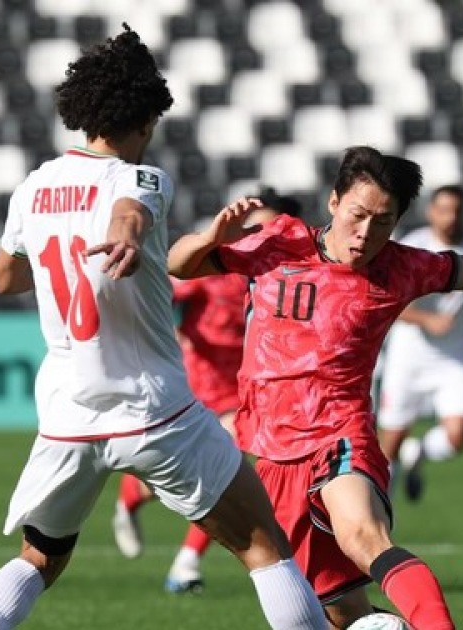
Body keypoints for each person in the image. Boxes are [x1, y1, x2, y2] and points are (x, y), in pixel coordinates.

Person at [166, 146, 463, 630]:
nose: (366, 233)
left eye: (383, 221)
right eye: (358, 214)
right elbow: (180, 265)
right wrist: (208, 238)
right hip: (273, 452)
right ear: (333, 203)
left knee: (364, 537)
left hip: (338, 437)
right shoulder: (277, 241)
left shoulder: (402, 268)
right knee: (343, 615)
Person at [0, 28, 328, 630]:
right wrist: (127, 237)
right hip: (152, 408)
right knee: (264, 547)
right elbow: (129, 211)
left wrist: (76, 246)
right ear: (145, 120)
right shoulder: (142, 178)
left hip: (68, 418)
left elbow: (5, 278)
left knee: (38, 559)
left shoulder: (33, 187)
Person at [111, 189, 304, 596]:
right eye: (255, 226)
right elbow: (159, 294)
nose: (259, 234)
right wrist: (174, 333)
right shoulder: (217, 267)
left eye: (269, 227)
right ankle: (131, 497)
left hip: (244, 388)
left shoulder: (285, 274)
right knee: (181, 475)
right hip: (196, 386)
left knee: (228, 468)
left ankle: (186, 564)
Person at [377, 185, 463, 502]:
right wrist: (424, 319)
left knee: (459, 436)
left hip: (454, 354)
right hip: (409, 355)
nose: (451, 217)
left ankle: (419, 452)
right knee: (387, 447)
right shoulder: (412, 247)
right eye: (444, 210)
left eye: (457, 210)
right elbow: (387, 300)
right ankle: (381, 522)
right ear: (431, 213)